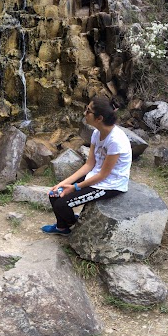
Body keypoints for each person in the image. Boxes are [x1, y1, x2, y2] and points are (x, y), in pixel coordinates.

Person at [43, 95, 132, 235]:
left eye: (88, 110)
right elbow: (89, 164)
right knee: (55, 194)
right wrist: (63, 183)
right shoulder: (97, 133)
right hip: (95, 176)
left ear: (99, 118)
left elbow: (104, 174)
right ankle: (62, 227)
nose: (85, 113)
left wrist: (74, 188)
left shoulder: (116, 141)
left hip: (110, 185)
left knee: (62, 204)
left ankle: (75, 224)